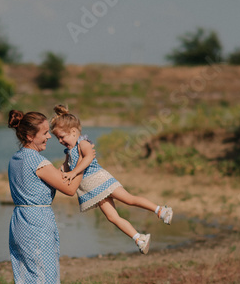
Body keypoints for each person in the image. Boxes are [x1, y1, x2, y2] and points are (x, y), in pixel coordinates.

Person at [6, 109, 84, 284]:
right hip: (36, 224)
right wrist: (85, 161)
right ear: (29, 136)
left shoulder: (17, 159)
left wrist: (68, 164)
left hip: (20, 221)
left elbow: (55, 177)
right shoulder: (37, 162)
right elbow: (70, 188)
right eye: (44, 133)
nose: (49, 137)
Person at [50, 104, 173, 254]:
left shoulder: (83, 143)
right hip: (92, 190)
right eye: (58, 139)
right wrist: (55, 174)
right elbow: (64, 167)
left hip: (100, 181)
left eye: (62, 137)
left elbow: (88, 158)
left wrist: (73, 172)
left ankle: (160, 210)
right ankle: (139, 238)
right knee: (112, 217)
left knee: (128, 199)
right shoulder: (69, 151)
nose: (60, 141)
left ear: (74, 131)